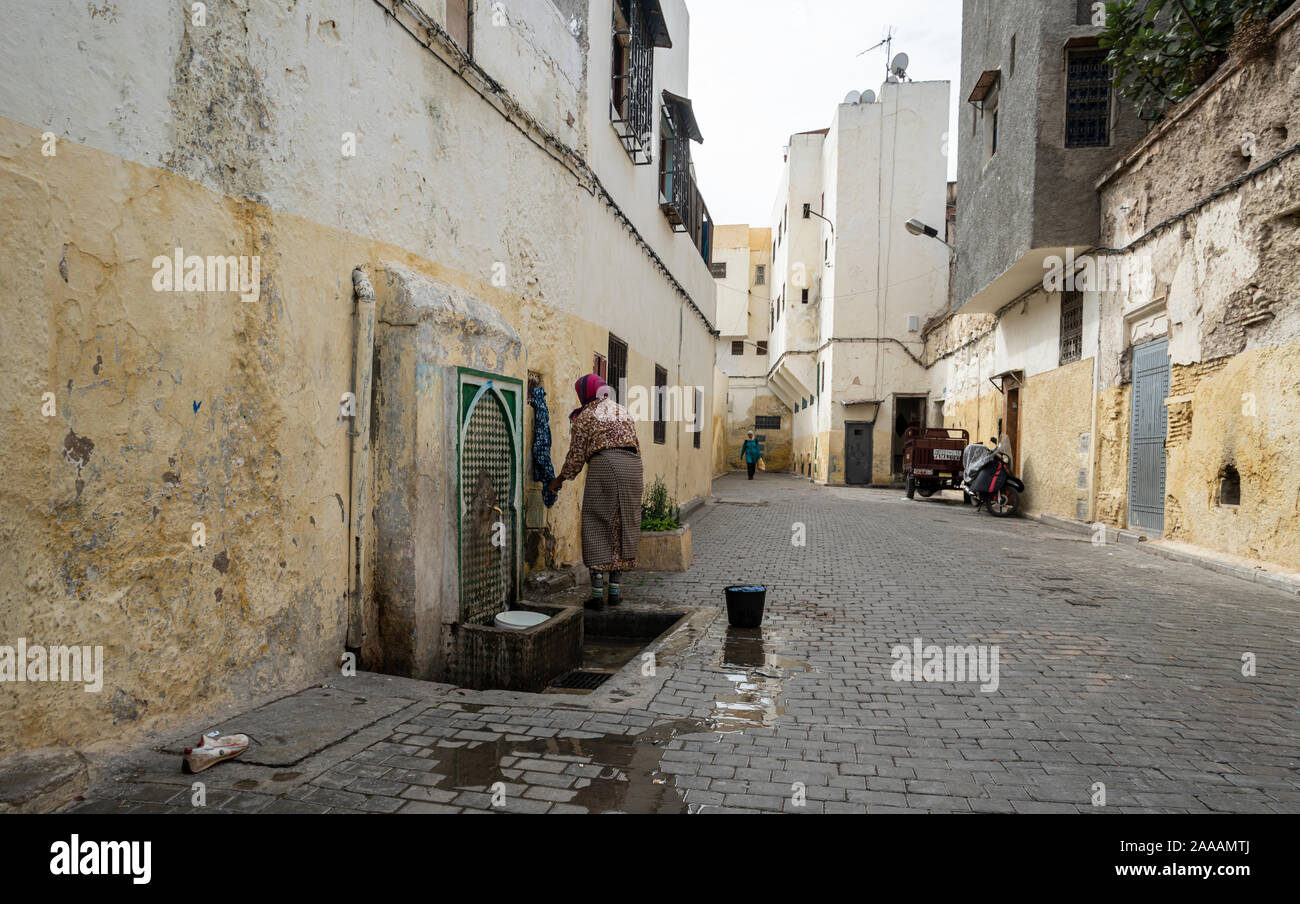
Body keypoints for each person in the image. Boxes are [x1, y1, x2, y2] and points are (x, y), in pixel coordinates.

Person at [549, 374, 642, 607]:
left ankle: (598, 596)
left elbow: (576, 456)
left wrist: (559, 480)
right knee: (623, 523)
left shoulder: (587, 415)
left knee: (596, 522)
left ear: (585, 392)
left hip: (606, 465)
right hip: (633, 466)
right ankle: (615, 593)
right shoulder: (621, 410)